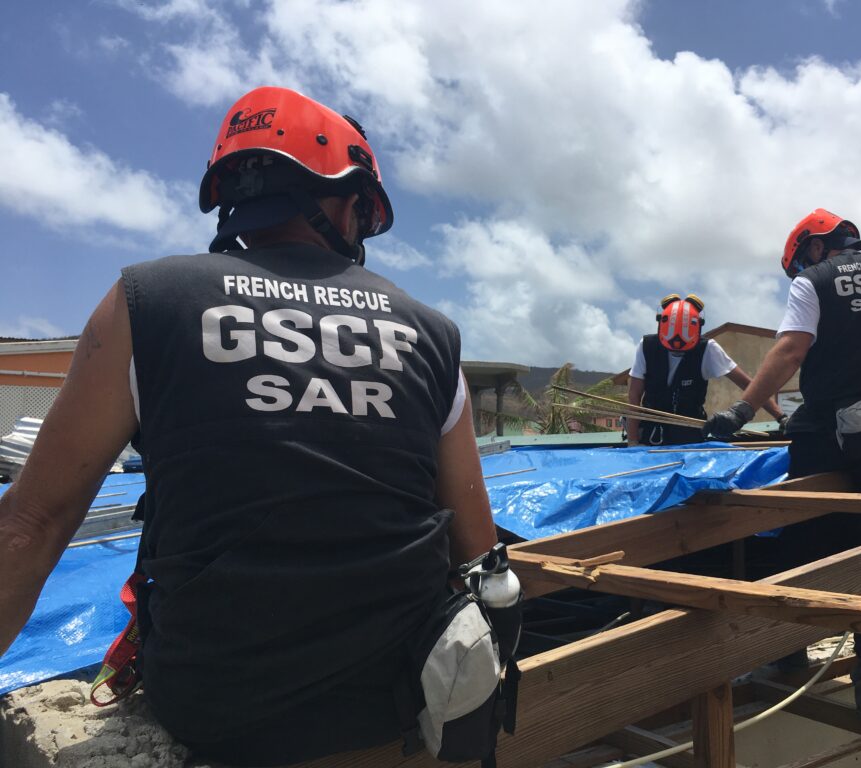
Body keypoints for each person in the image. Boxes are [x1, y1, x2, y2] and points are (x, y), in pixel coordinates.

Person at [0, 86, 503, 765]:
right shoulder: (432, 334)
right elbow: (477, 558)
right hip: (389, 711)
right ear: (347, 202)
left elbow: (31, 526)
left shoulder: (147, 303)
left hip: (211, 711)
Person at [704, 208, 861, 721]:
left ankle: (785, 651)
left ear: (816, 248)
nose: (800, 269)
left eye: (801, 260)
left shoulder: (812, 283)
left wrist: (741, 409)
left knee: (804, 538)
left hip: (825, 436)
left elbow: (792, 350)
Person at [626, 293, 786, 446]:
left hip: (689, 436)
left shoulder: (708, 350)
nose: (677, 352)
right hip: (650, 433)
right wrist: (633, 442)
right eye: (672, 349)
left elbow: (749, 385)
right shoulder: (647, 347)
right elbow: (634, 396)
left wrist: (781, 417)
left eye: (682, 350)